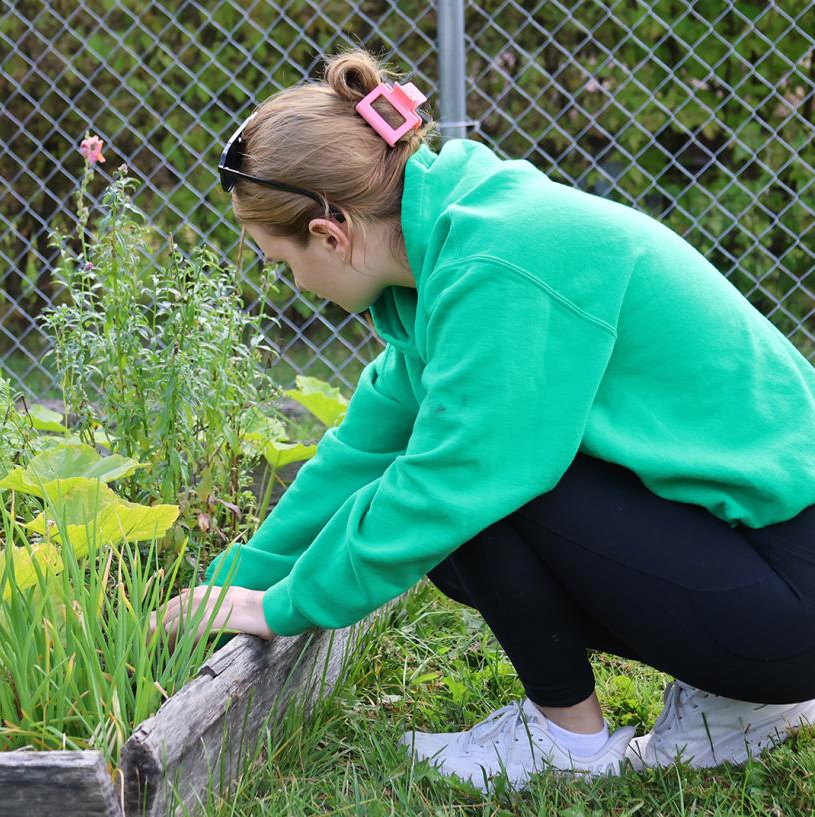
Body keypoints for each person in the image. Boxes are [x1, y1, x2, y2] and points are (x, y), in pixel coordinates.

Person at [147, 47, 815, 792]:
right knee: (437, 490)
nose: (295, 283)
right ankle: (740, 702)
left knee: (472, 487)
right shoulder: (456, 240)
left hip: (793, 593)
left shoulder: (499, 264)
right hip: (767, 561)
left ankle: (569, 740)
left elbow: (457, 474)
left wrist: (283, 607)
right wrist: (234, 584)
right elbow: (361, 448)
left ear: (331, 234)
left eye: (281, 261)